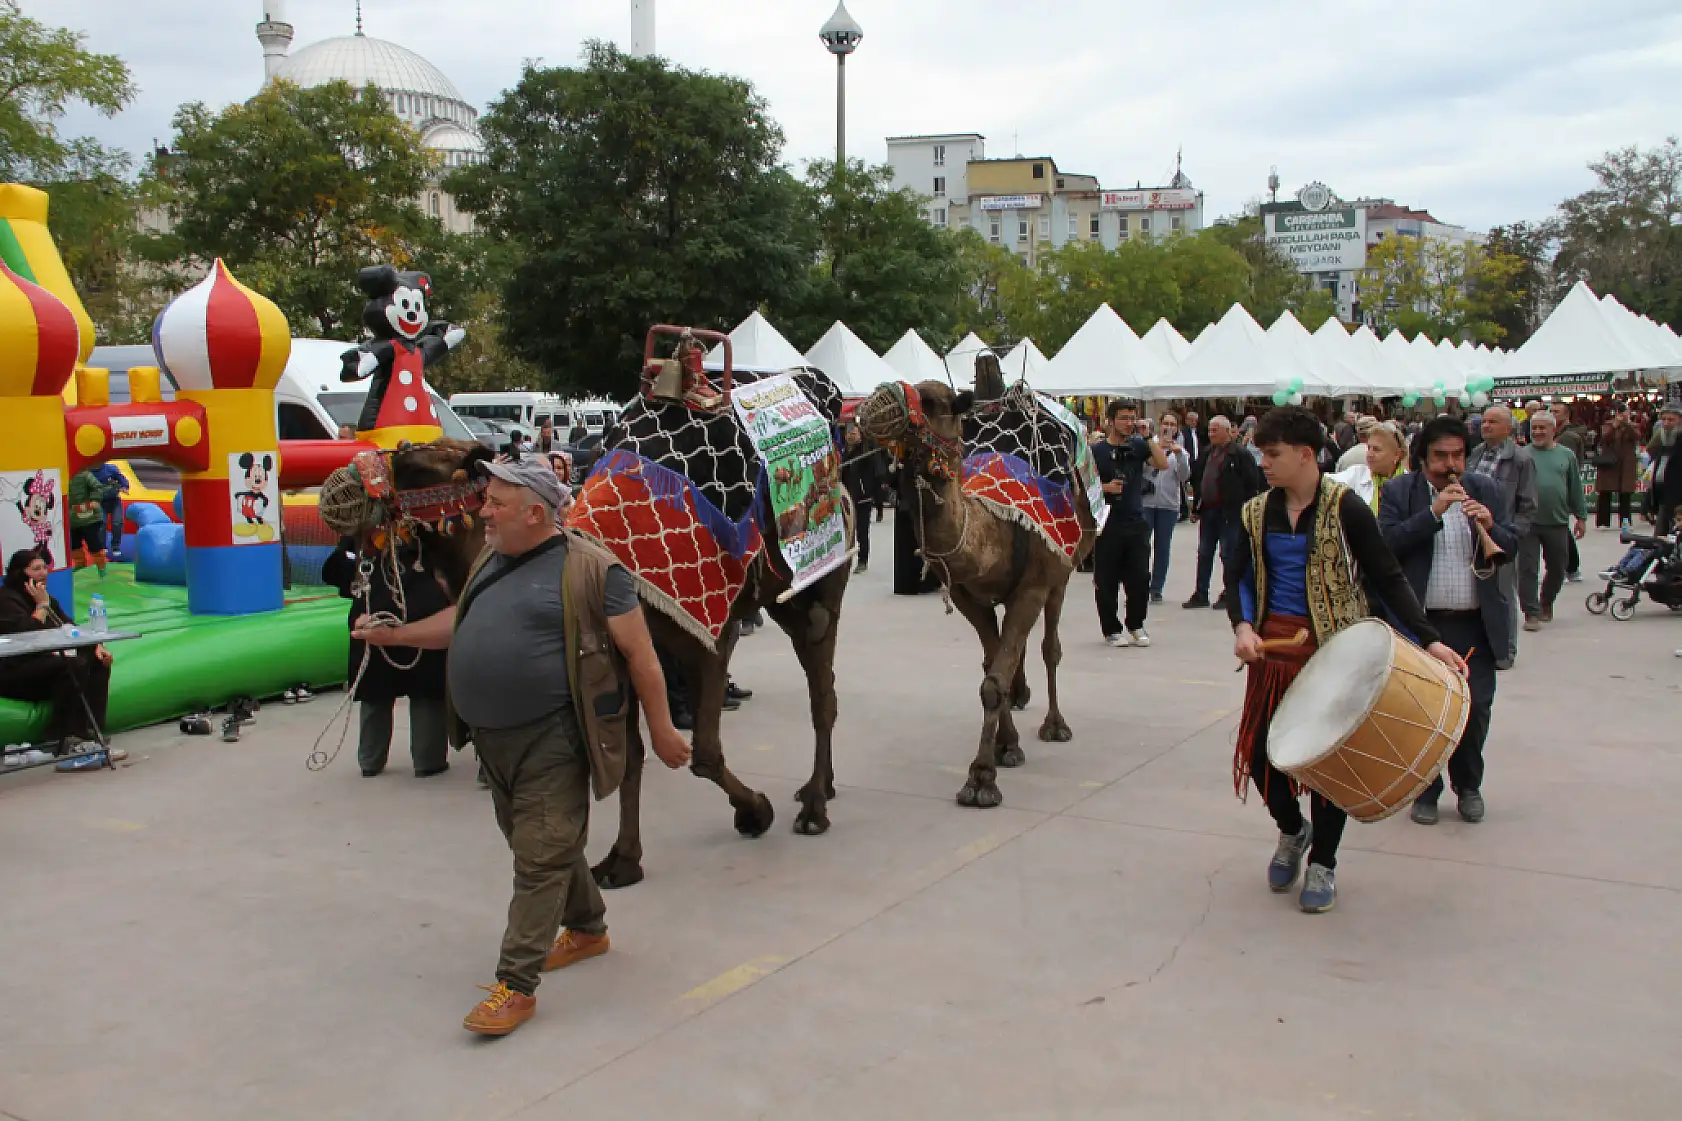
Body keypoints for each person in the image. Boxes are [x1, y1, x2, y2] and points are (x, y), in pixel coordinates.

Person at [354, 458, 691, 1036]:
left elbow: (641, 654)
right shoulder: (492, 557)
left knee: (539, 856)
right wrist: (396, 635)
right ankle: (587, 928)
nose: (483, 511)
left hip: (555, 738)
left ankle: (515, 985)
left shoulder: (595, 571)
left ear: (535, 512)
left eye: (497, 503)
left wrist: (661, 729)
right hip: (491, 741)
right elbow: (461, 620)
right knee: (539, 845)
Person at [1228, 408, 1460, 914]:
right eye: (1262, 454)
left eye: (1273, 454)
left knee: (1329, 764)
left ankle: (1324, 862)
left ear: (1305, 455)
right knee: (1262, 757)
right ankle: (1293, 830)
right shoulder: (1254, 512)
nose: (1263, 463)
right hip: (1272, 655)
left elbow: (1387, 576)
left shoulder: (1347, 508)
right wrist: (1243, 625)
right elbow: (1239, 578)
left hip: (1334, 656)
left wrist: (1430, 640)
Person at [1379, 416, 1518, 827]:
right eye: (1441, 455)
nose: (1450, 464)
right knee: (1423, 713)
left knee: (1475, 711)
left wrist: (1492, 528)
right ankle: (1426, 789)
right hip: (1421, 626)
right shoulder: (1400, 492)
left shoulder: (1485, 489)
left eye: (1458, 454)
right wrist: (1433, 512)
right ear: (1423, 457)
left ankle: (1469, 785)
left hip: (1474, 624)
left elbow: (1510, 545)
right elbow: (1385, 546)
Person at [321, 536, 453, 778]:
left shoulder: (361, 534)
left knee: (376, 690)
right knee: (425, 690)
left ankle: (371, 759)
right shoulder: (428, 529)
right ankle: (428, 759)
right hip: (421, 606)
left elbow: (334, 570)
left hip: (373, 606)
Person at [0, 548, 114, 753]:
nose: (43, 573)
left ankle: (92, 729)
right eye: (36, 569)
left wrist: (96, 645)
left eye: (45, 567)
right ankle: (62, 735)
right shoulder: (6, 600)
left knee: (96, 662)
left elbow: (68, 627)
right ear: (20, 574)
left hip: (42, 664)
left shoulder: (45, 598)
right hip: (13, 671)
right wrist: (41, 607)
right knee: (71, 666)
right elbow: (24, 638)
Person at [1090, 400, 1167, 647]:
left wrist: (1148, 437)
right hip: (1107, 524)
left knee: (1139, 578)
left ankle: (1136, 624)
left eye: (1132, 418)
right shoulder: (1096, 451)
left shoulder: (1138, 446)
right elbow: (1081, 487)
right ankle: (1111, 629)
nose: (1129, 423)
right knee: (1106, 580)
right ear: (1111, 421)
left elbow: (1162, 464)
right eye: (1123, 418)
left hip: (1136, 522)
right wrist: (1105, 488)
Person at [1465, 406, 1535, 668]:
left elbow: (1527, 503)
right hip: (1474, 531)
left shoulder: (1520, 460)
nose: (1486, 426)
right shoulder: (1475, 453)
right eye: (1484, 421)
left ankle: (1506, 651)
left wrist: (1512, 533)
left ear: (1508, 428)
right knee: (1482, 589)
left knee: (1504, 592)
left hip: (1501, 532)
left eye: (1493, 422)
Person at [1185, 415, 1265, 609]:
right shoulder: (1207, 452)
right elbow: (1198, 479)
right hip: (1209, 511)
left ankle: (1230, 593)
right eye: (1210, 430)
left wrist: (1246, 508)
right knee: (1204, 553)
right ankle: (1201, 593)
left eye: (1215, 430)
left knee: (1228, 553)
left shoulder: (1239, 454)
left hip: (1230, 512)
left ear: (1227, 432)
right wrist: (1196, 507)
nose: (1211, 434)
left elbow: (1253, 483)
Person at [1517, 412, 1587, 631]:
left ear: (1553, 430)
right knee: (1527, 568)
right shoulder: (1521, 455)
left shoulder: (1566, 456)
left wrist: (1581, 516)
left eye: (1542, 428)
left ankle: (1546, 601)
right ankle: (1531, 613)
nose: (1537, 432)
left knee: (1558, 566)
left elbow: (1575, 487)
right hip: (1527, 522)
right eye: (1534, 428)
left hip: (1557, 521)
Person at [1143, 413, 1191, 603]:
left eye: (1172, 424)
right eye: (1165, 423)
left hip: (1168, 505)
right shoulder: (1148, 446)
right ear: (1159, 425)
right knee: (1142, 546)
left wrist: (1179, 456)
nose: (1168, 427)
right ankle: (1140, 585)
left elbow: (1183, 477)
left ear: (1177, 428)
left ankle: (1156, 588)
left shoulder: (1181, 451)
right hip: (1146, 502)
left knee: (1162, 547)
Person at [1551, 402, 1590, 581]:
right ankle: (1571, 568)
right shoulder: (1558, 434)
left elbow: (1565, 467)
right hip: (1559, 488)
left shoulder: (1567, 438)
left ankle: (1571, 567)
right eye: (1550, 411)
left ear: (1566, 415)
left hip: (1561, 488)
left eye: (1556, 411)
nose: (1552, 414)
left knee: (1559, 530)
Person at [841, 424, 886, 574]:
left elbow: (876, 470)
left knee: (862, 531)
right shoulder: (844, 452)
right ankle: (845, 560)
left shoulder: (866, 450)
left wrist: (872, 492)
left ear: (860, 435)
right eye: (848, 434)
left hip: (863, 497)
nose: (850, 436)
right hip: (847, 499)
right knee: (846, 532)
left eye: (853, 433)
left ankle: (862, 560)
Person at [1595, 405, 1641, 529]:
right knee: (1605, 493)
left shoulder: (1633, 426)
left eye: (1625, 412)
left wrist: (1627, 424)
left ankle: (1625, 521)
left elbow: (1636, 437)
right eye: (1621, 413)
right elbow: (1604, 439)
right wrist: (1615, 426)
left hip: (1626, 464)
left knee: (1625, 494)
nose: (1623, 415)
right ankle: (1603, 522)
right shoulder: (1608, 425)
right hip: (1609, 463)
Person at [66, 467, 114, 575]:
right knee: (74, 543)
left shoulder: (83, 474)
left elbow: (97, 487)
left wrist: (94, 500)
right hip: (72, 518)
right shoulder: (63, 476)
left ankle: (101, 565)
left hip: (90, 517)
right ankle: (80, 563)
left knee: (93, 542)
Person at [1646, 395, 1682, 534]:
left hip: (1678, 505)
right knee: (1659, 544)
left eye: (1671, 420)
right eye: (1664, 419)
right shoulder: (1663, 441)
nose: (1666, 423)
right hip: (1663, 502)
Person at [91, 462, 128, 555]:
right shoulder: (88, 473)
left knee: (117, 522)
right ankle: (102, 546)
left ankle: (115, 546)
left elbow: (121, 478)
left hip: (114, 500)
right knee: (101, 523)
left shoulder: (110, 469)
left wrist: (124, 486)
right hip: (99, 502)